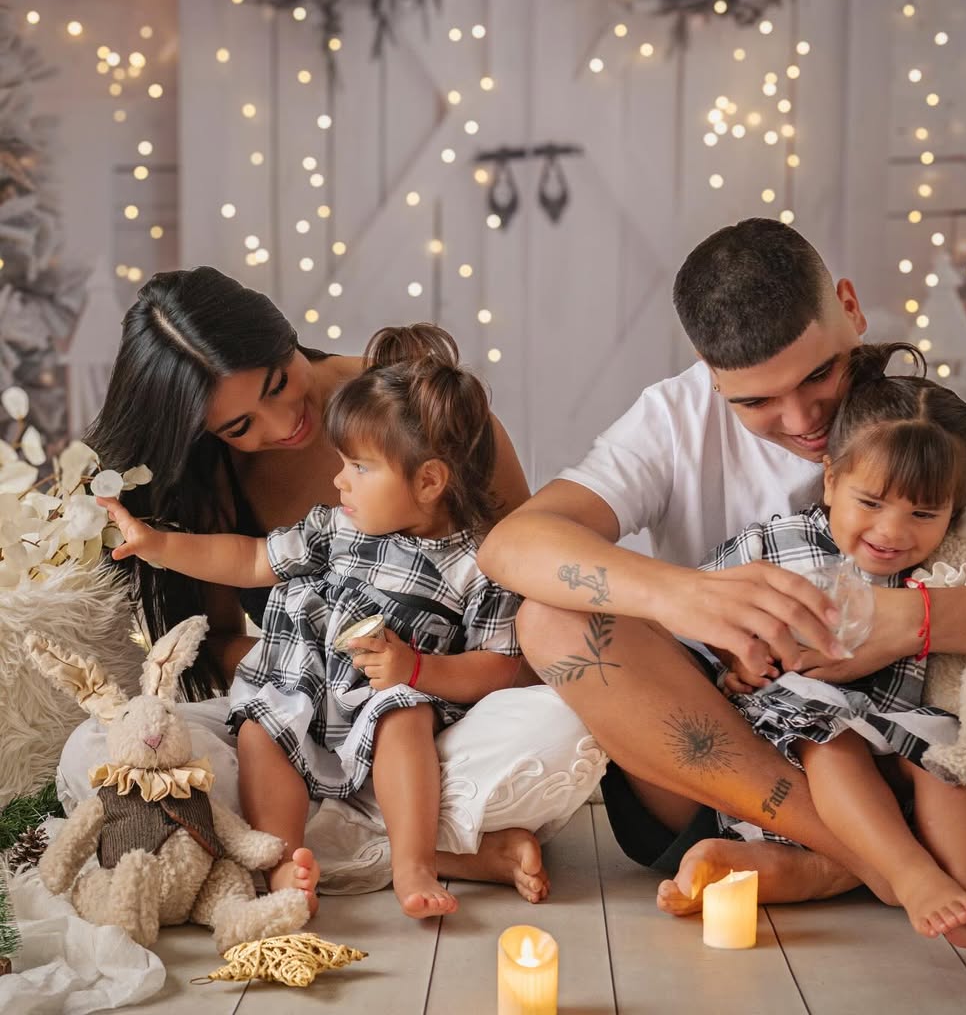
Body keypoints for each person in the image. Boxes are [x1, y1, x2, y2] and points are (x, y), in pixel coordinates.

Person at [477, 218, 966, 970]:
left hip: (922, 743)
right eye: (757, 401)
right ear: (710, 373)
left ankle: (848, 869)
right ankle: (898, 867)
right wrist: (679, 595)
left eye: (820, 375)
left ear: (851, 310)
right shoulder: (673, 420)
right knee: (553, 621)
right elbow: (511, 547)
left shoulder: (930, 430)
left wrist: (910, 622)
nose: (803, 422)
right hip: (732, 771)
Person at [58, 267, 606, 902]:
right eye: (240, 427)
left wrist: (415, 672)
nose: (281, 423)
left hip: (418, 712)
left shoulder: (421, 414)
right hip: (295, 701)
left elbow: (515, 656)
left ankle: (394, 853)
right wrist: (300, 675)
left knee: (564, 721)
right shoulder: (310, 516)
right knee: (103, 754)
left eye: (277, 385)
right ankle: (427, 850)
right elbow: (246, 564)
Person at [698, 340, 966, 957]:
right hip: (805, 728)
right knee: (835, 742)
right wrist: (736, 661)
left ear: (954, 512)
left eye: (923, 514)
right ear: (831, 479)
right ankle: (911, 876)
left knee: (948, 761)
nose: (891, 531)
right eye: (871, 503)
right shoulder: (778, 544)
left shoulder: (951, 563)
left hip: (902, 717)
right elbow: (702, 611)